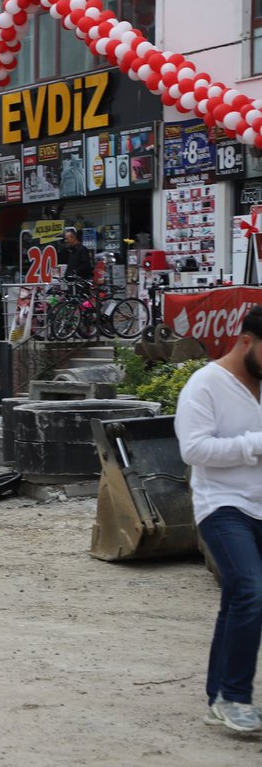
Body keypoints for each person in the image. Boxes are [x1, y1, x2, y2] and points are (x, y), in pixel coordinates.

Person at [176, 305, 262, 733]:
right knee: (249, 588)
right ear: (247, 341)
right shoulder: (205, 385)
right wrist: (256, 445)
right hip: (222, 505)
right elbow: (193, 451)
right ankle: (235, 697)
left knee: (240, 599)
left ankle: (220, 697)